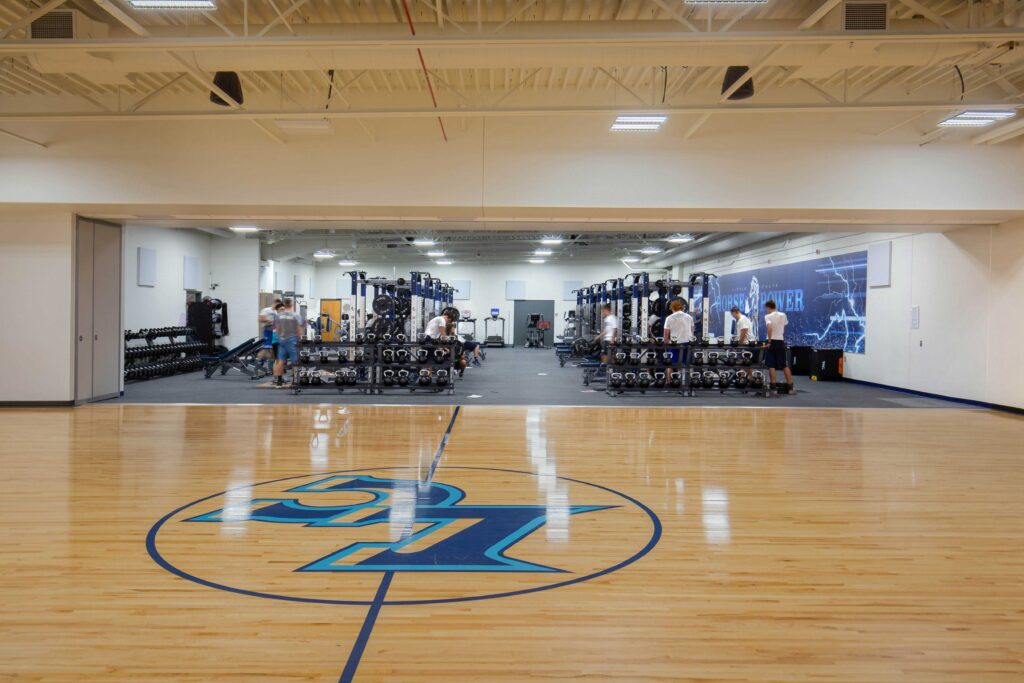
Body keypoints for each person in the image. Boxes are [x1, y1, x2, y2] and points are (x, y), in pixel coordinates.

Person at [763, 299, 793, 395]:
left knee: (771, 365)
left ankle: (773, 386)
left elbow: (769, 328)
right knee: (784, 364)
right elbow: (784, 327)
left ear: (768, 307)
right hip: (780, 341)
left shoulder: (767, 316)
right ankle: (790, 386)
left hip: (772, 342)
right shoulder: (783, 315)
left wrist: (769, 341)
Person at [273, 299, 302, 387]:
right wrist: (299, 339)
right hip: (292, 339)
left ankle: (278, 382)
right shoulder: (295, 315)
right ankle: (294, 381)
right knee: (295, 361)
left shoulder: (279, 316)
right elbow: (299, 329)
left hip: (282, 340)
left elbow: (277, 329)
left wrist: (279, 337)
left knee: (280, 361)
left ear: (284, 305)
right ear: (291, 304)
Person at [662, 299, 693, 364]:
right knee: (686, 364)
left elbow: (666, 335)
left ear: (672, 308)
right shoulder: (689, 317)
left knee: (670, 364)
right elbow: (692, 331)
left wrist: (666, 347)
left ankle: (669, 374)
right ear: (681, 307)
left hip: (674, 345)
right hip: (687, 344)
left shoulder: (669, 318)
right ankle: (685, 374)